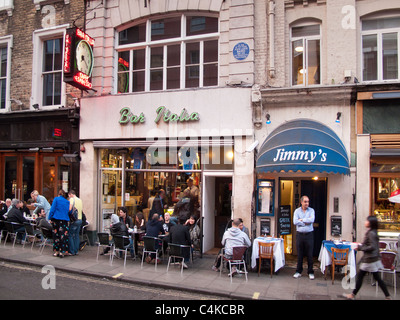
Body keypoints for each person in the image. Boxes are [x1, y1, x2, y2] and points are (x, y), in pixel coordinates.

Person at [343, 216, 391, 300]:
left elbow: (372, 246)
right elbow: (369, 244)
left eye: (367, 221)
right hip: (372, 259)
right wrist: (360, 245)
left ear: (370, 223)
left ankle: (353, 295)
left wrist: (360, 248)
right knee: (376, 278)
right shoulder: (372, 232)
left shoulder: (371, 233)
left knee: (361, 276)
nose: (365, 222)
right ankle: (387, 296)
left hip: (370, 259)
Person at [293, 195, 315, 280]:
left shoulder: (311, 210)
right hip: (300, 235)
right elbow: (295, 221)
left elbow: (312, 220)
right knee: (300, 254)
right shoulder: (297, 211)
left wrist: (301, 220)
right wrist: (306, 221)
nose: (307, 203)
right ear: (301, 202)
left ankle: (310, 272)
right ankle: (298, 271)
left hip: (309, 235)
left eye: (308, 202)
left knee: (310, 254)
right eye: (305, 202)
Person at [48, 190, 70, 258]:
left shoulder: (56, 199)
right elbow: (69, 211)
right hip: (64, 220)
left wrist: (49, 217)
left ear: (59, 194)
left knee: (56, 236)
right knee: (63, 236)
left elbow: (52, 209)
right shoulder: (67, 201)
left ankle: (56, 251)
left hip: (56, 219)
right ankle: (62, 252)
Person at [68, 190, 83, 256]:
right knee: (76, 235)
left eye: (69, 195)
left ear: (71, 194)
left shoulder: (72, 199)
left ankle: (72, 251)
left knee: (70, 235)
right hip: (80, 219)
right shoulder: (80, 200)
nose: (69, 197)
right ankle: (76, 250)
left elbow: (69, 209)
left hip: (74, 220)